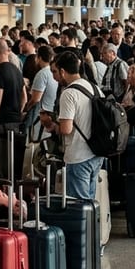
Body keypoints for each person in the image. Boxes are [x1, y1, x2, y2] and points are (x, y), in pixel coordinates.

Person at [50, 50, 103, 202]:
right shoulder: (93, 87)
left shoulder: (69, 93)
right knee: (90, 203)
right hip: (95, 153)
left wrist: (51, 125)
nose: (55, 77)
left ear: (62, 71)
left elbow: (66, 129)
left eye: (55, 72)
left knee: (78, 207)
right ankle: (93, 227)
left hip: (78, 155)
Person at [0, 38, 26, 177]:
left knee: (0, 166)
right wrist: (16, 112)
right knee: (13, 165)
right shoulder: (16, 70)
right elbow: (24, 97)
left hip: (2, 125)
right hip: (16, 123)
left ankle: (1, 194)